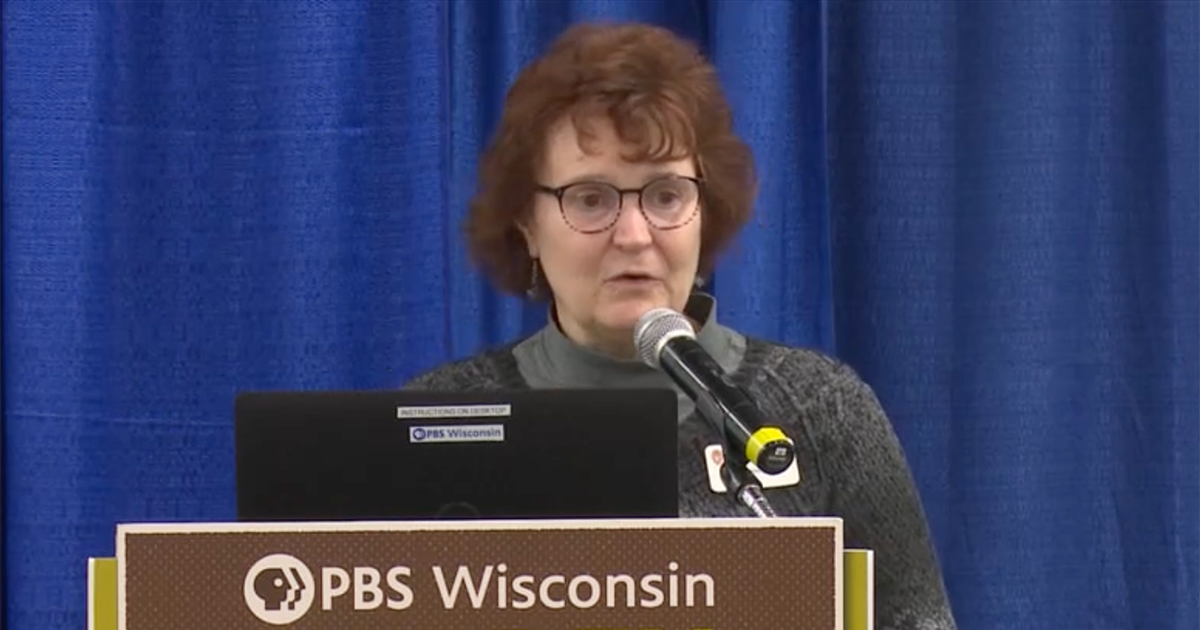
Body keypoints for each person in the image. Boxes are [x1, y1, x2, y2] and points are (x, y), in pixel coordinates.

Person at [403, 20, 957, 630]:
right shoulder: (444, 418)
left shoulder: (821, 412)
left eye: (665, 196)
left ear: (704, 212)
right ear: (527, 226)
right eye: (591, 199)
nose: (634, 235)